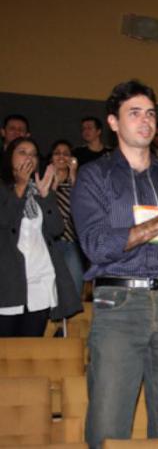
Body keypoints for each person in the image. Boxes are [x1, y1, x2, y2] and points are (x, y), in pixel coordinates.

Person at [71, 80, 158, 448]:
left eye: (150, 114)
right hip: (118, 304)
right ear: (113, 123)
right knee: (108, 423)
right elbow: (97, 245)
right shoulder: (95, 176)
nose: (145, 121)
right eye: (134, 113)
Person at [0, 137, 81, 337]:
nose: (29, 157)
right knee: (6, 350)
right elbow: (5, 221)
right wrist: (20, 188)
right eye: (22, 152)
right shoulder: (3, 188)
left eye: (33, 154)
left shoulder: (39, 189)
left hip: (41, 281)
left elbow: (56, 229)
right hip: (9, 282)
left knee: (31, 348)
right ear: (9, 157)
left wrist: (46, 197)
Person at [49, 140, 84, 301]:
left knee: (75, 286)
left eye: (66, 153)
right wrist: (54, 183)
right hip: (48, 243)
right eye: (57, 153)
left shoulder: (78, 181)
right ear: (51, 157)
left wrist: (73, 174)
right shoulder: (42, 180)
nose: (61, 156)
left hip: (71, 241)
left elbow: (82, 205)